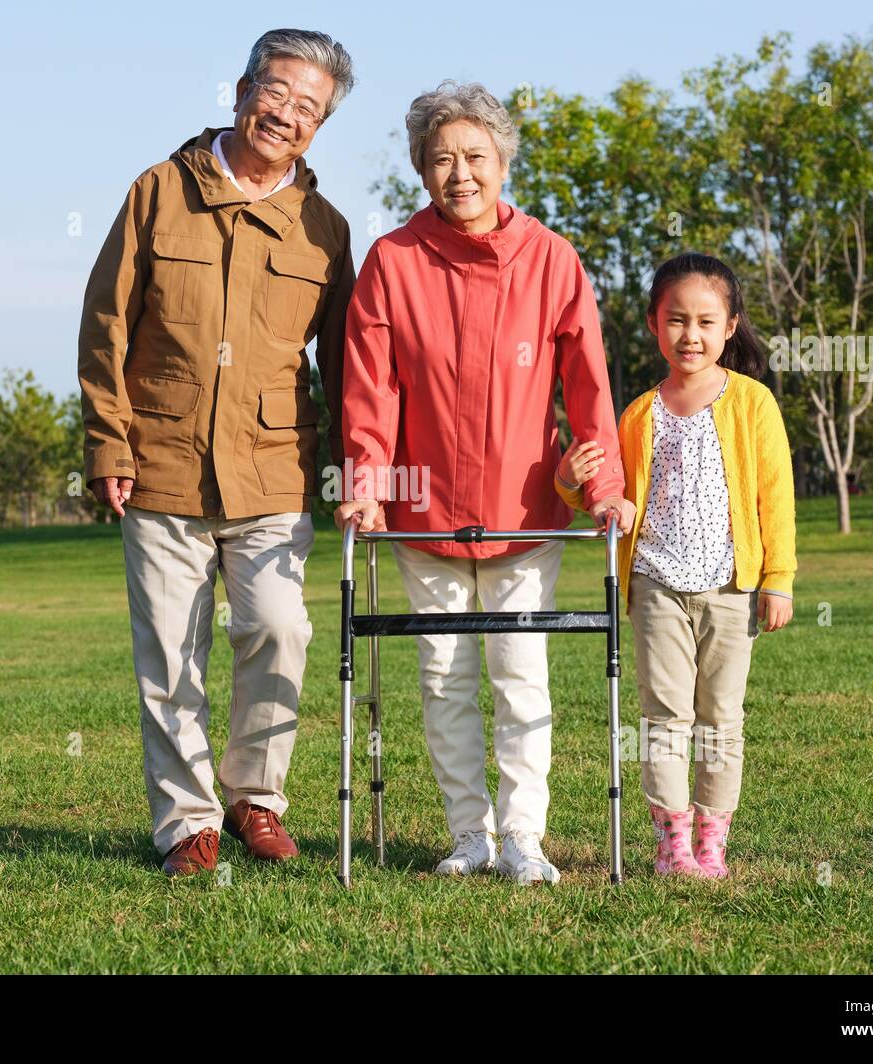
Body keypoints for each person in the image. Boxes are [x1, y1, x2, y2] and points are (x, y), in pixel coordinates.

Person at [337, 81, 633, 885]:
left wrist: (602, 481)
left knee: (519, 673)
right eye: (441, 160)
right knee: (442, 677)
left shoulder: (553, 259)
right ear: (421, 172)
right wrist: (365, 481)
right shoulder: (392, 262)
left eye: (474, 156)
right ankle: (469, 835)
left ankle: (524, 839)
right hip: (423, 514)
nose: (459, 173)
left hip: (523, 510)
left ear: (503, 161)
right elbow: (373, 389)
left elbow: (589, 387)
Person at [77, 28, 355, 876]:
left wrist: (349, 464)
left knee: (279, 629)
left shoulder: (325, 227)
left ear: (320, 125)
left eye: (309, 107)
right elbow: (105, 325)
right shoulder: (158, 191)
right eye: (277, 92)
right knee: (170, 649)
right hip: (160, 456)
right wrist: (106, 443)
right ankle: (186, 822)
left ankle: (255, 798)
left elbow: (344, 361)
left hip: (276, 466)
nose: (287, 114)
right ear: (242, 89)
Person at [556, 251, 796, 878]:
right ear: (652, 324)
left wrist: (779, 581)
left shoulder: (753, 405)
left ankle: (713, 837)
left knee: (721, 716)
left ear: (731, 325)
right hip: (656, 585)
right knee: (665, 716)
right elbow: (611, 497)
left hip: (730, 588)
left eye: (706, 322)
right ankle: (672, 843)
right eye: (676, 321)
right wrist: (571, 485)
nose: (691, 335)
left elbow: (778, 498)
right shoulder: (637, 414)